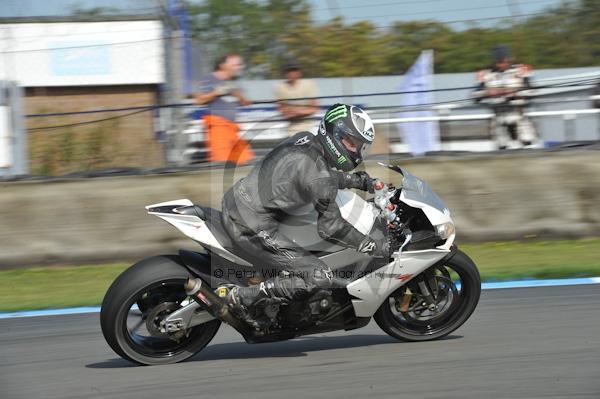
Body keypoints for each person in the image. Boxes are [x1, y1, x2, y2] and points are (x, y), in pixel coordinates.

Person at [221, 103, 390, 324]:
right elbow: (331, 227)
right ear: (334, 134)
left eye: (359, 146)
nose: (356, 151)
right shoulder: (318, 172)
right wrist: (371, 245)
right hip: (251, 224)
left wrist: (358, 181)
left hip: (239, 203)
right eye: (351, 143)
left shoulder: (305, 140)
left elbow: (317, 177)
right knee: (320, 276)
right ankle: (241, 297)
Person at [194, 53, 255, 164]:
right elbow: (198, 100)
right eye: (235, 65)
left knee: (246, 162)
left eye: (240, 65)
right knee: (221, 164)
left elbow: (247, 103)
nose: (239, 68)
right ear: (223, 66)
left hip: (233, 128)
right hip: (218, 127)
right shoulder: (209, 79)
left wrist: (237, 94)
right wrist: (216, 92)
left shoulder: (235, 82)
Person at [473, 45, 537, 149]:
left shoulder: (522, 70)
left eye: (506, 61)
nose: (503, 64)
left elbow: (532, 92)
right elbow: (475, 95)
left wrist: (514, 93)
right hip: (498, 116)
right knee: (502, 146)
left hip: (519, 115)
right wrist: (487, 93)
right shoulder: (484, 74)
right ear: (494, 61)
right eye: (500, 61)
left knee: (528, 142)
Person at [274, 59, 319, 135]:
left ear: (299, 72)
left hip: (310, 128)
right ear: (285, 73)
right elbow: (283, 111)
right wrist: (303, 111)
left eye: (294, 70)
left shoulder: (309, 84)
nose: (291, 73)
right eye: (289, 70)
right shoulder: (280, 87)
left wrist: (295, 112)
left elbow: (314, 108)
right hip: (289, 130)